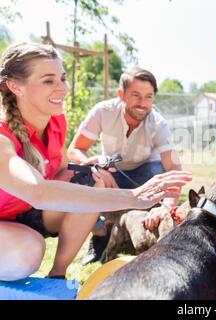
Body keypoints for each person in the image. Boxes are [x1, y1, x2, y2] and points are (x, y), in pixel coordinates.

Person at [0, 42, 192, 281]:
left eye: (62, 78)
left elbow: (59, 171)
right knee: (28, 252)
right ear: (15, 86)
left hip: (26, 212)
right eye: (48, 81)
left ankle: (57, 275)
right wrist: (133, 197)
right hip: (11, 217)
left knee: (91, 178)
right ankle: (101, 230)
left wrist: (86, 169)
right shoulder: (2, 137)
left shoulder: (56, 122)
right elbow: (38, 191)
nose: (62, 88)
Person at [67, 67, 183, 264]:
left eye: (148, 97)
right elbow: (75, 149)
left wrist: (168, 206)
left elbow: (173, 168)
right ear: (121, 95)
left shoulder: (158, 123)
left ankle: (143, 235)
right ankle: (99, 234)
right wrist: (95, 168)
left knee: (158, 172)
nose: (142, 103)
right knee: (81, 176)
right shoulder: (103, 111)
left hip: (145, 175)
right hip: (111, 172)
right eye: (136, 95)